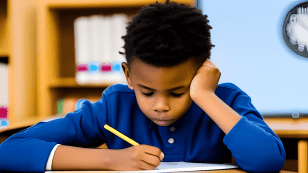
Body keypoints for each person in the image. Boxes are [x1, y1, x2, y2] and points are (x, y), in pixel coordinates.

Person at [0, 0, 285, 172]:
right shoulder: (115, 106)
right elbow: (10, 150)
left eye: (178, 91)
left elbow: (268, 160)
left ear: (201, 73)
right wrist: (112, 160)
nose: (160, 105)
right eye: (146, 92)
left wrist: (204, 95)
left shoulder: (225, 100)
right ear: (128, 75)